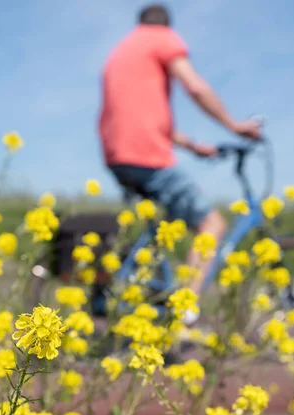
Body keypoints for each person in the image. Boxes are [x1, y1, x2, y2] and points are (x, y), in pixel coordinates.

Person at [99, 3, 260, 313]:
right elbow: (196, 87)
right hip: (146, 156)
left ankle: (150, 291)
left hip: (118, 154)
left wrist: (192, 145)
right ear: (165, 26)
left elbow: (141, 117)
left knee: (164, 228)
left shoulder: (122, 52)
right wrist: (234, 125)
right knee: (211, 224)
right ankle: (184, 310)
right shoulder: (161, 38)